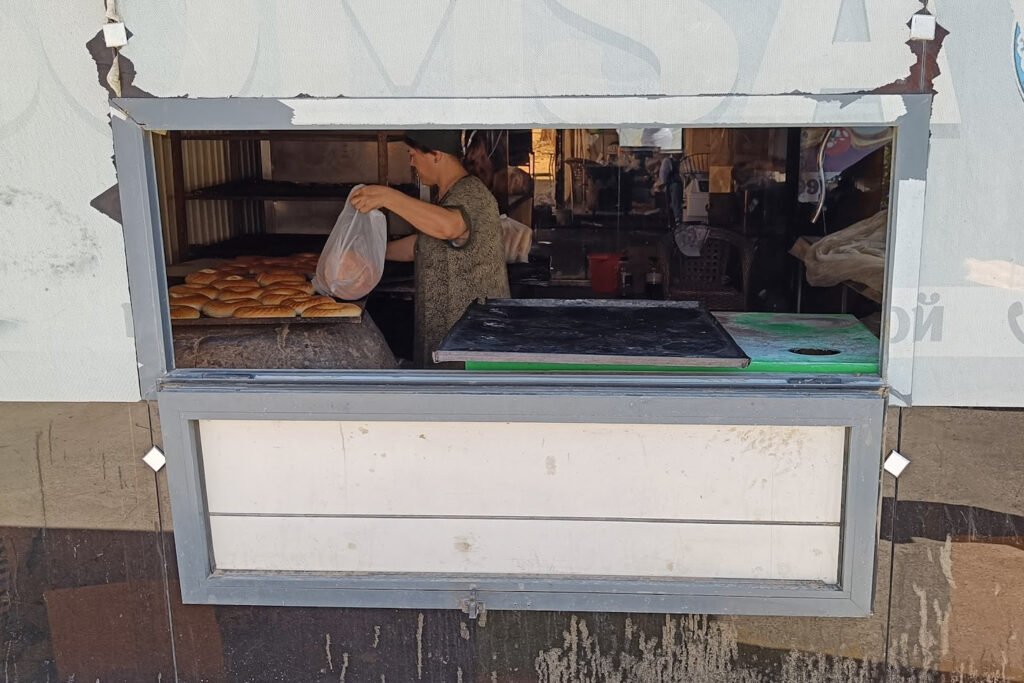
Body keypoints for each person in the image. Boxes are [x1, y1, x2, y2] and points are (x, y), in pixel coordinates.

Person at [349, 130, 510, 368]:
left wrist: (388, 197)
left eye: (413, 155)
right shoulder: (447, 196)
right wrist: (371, 252)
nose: (412, 163)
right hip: (447, 335)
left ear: (436, 155)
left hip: (471, 343)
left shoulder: (472, 192)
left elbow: (449, 227)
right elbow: (424, 243)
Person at [655, 152, 684, 227]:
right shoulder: (667, 161)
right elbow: (663, 176)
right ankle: (678, 218)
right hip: (673, 184)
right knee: (676, 189)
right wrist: (664, 184)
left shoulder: (685, 160)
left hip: (685, 183)